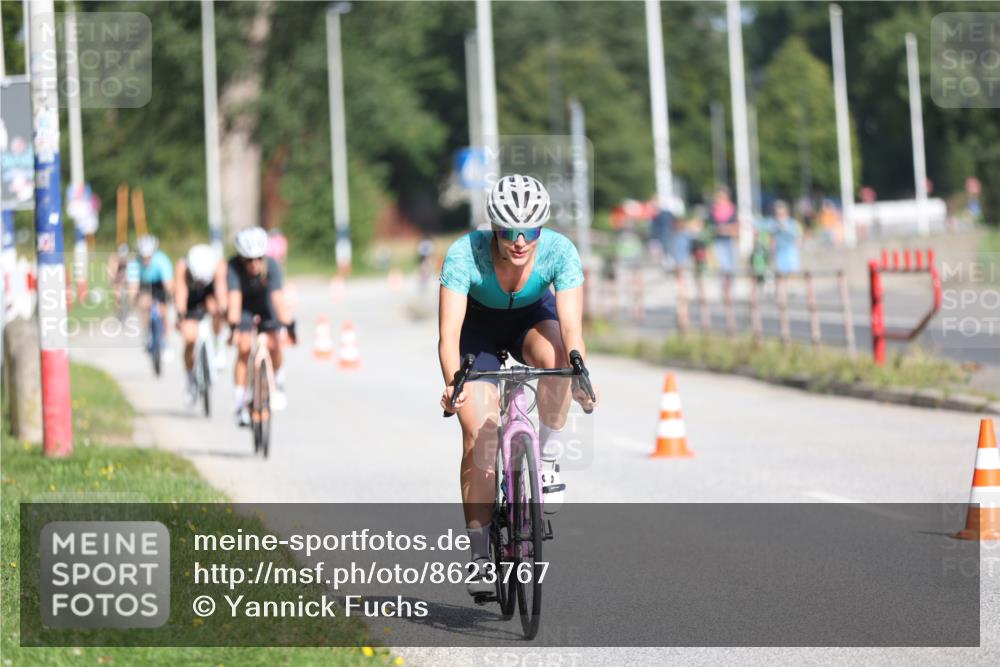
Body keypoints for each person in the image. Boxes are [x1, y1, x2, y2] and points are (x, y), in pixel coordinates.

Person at [437, 174, 598, 596]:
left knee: (558, 359)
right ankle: (477, 556)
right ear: (495, 228)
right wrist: (454, 383)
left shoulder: (561, 252)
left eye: (530, 231)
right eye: (510, 231)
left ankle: (544, 457)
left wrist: (579, 371)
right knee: (479, 436)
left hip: (531, 321)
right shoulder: (463, 255)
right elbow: (449, 336)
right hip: (478, 332)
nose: (520, 241)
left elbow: (572, 328)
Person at [226, 226, 295, 426]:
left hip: (266, 306)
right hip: (245, 307)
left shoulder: (272, 266)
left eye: (258, 258)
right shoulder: (233, 267)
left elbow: (278, 300)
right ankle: (239, 403)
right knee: (245, 348)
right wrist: (233, 329)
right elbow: (234, 301)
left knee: (274, 344)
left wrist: (288, 326)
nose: (254, 264)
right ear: (241, 258)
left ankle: (278, 380)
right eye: (249, 259)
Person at [174, 244, 226, 406]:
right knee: (189, 338)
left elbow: (221, 291)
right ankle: (190, 380)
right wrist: (181, 313)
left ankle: (218, 345)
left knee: (217, 311)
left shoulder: (218, 266)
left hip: (209, 296)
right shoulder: (182, 267)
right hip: (191, 299)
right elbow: (181, 291)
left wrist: (222, 309)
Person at [128, 235, 174, 356]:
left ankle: (165, 340)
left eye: (148, 257)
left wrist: (169, 298)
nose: (146, 260)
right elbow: (133, 286)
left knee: (163, 311)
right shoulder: (134, 263)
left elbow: (168, 284)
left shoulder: (162, 260)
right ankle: (146, 332)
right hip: (144, 285)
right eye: (143, 257)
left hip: (159, 284)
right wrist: (134, 301)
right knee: (143, 304)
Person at [770, 200, 802, 276]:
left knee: (792, 273)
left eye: (782, 214)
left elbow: (798, 237)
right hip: (780, 251)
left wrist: (797, 249)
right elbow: (773, 239)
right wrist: (772, 250)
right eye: (778, 214)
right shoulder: (774, 224)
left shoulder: (793, 223)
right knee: (781, 274)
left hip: (791, 250)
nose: (779, 216)